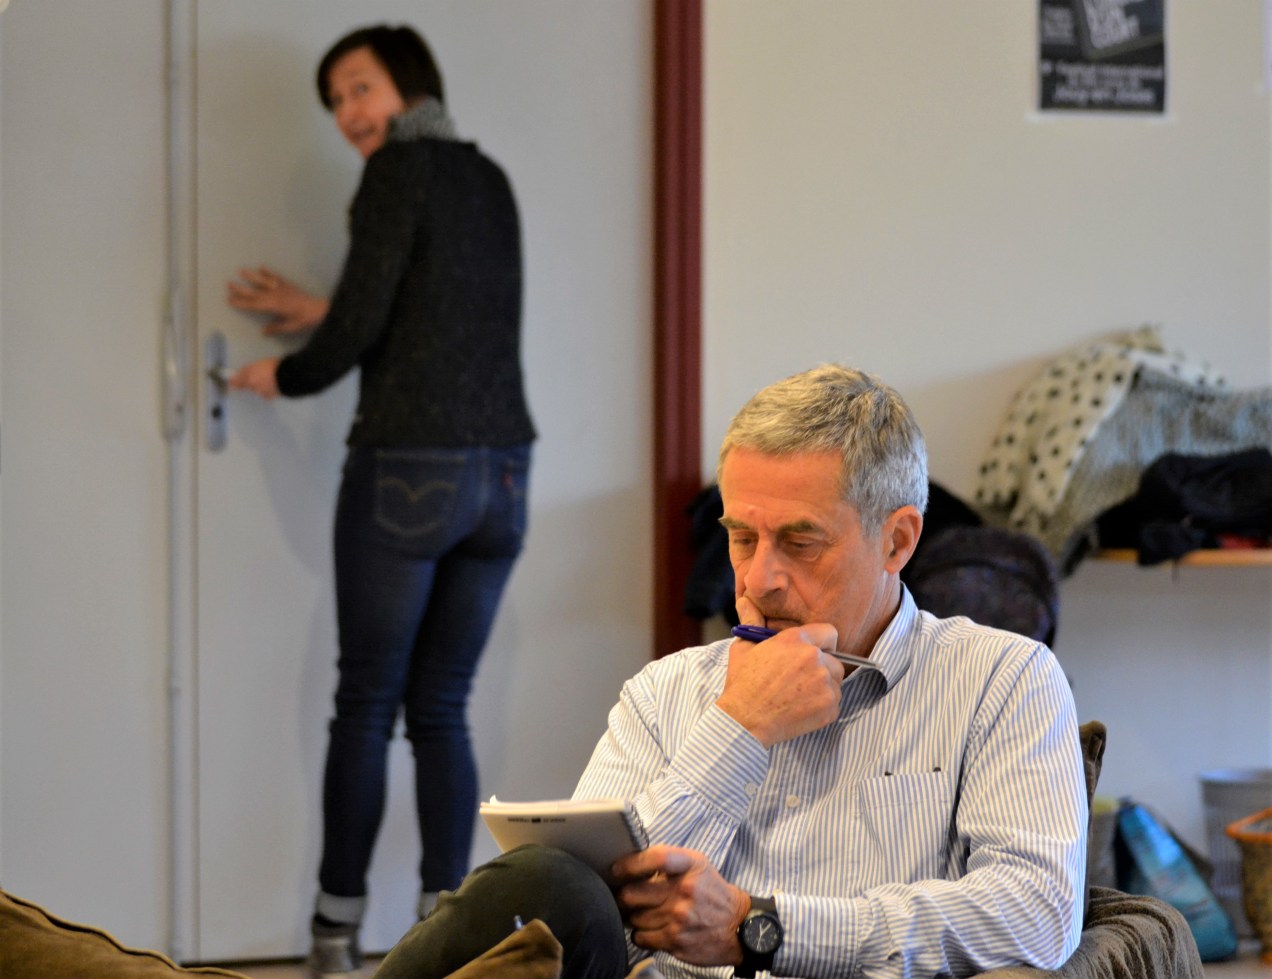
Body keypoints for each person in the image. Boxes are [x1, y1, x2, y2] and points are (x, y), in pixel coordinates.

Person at [372, 364, 1087, 979]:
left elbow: (1038, 912)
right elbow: (591, 913)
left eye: (800, 542)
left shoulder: (1002, 678)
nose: (757, 579)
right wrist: (738, 729)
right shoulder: (666, 690)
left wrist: (761, 927)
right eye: (742, 538)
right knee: (543, 879)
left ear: (896, 541)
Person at [224, 23, 536, 976]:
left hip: (409, 470)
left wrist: (283, 373)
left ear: (408, 85)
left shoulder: (397, 173)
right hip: (503, 477)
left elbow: (361, 328)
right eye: (335, 101)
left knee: (365, 703)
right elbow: (443, 313)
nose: (347, 113)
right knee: (441, 705)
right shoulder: (487, 178)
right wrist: (327, 311)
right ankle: (453, 936)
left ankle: (332, 939)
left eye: (359, 88)